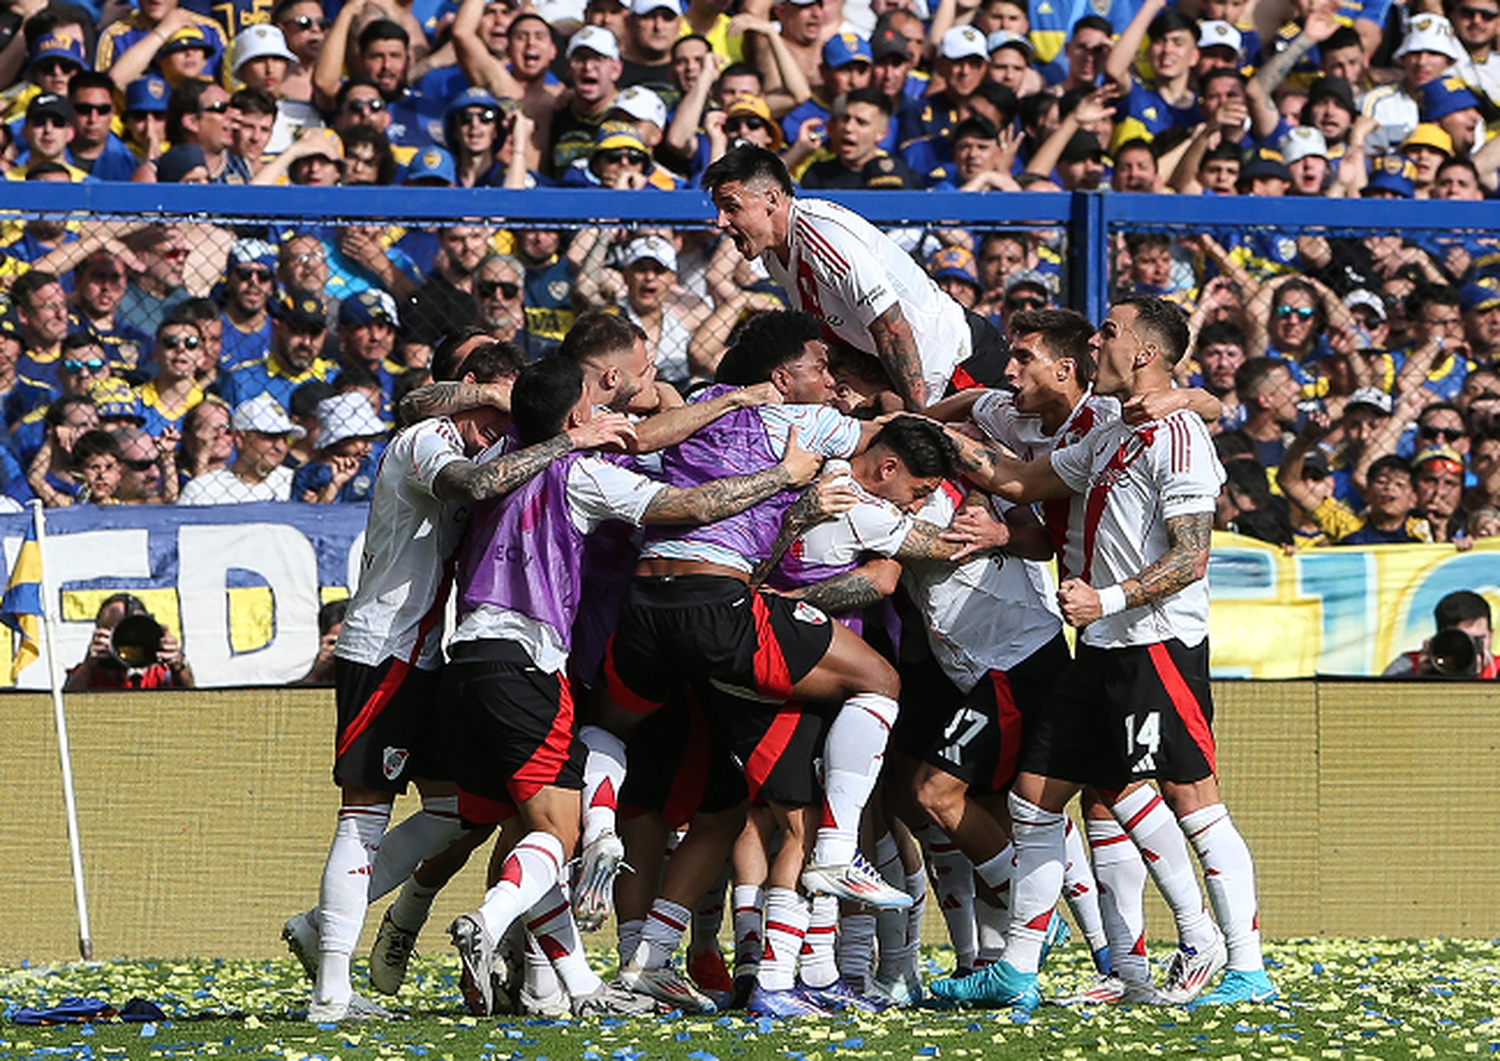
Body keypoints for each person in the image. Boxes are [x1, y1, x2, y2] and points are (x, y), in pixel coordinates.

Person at [444, 353, 833, 1018]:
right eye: (597, 401)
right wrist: (784, 476)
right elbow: (689, 505)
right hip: (532, 656)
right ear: (573, 416)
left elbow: (431, 408)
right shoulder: (582, 471)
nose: (609, 413)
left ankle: (571, 982)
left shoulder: (505, 449)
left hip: (468, 653)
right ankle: (490, 917)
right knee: (550, 833)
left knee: (530, 826)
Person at [936, 296, 1275, 1009]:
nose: (1097, 339)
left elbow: (1191, 557)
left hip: (1155, 645)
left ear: (1145, 352)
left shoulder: (1179, 433)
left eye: (1110, 332)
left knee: (1194, 802)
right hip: (1099, 647)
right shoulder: (1115, 427)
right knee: (1034, 799)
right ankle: (1018, 968)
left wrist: (1106, 599)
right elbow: (1021, 483)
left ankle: (1244, 965)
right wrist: (921, 434)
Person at [288, 341, 639, 1022]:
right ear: (467, 390)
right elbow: (473, 482)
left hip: (437, 657)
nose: (496, 433)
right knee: (364, 816)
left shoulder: (491, 442)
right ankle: (330, 990)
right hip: (383, 649)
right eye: (488, 410)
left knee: (458, 811)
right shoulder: (427, 441)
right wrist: (569, 438)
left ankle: (317, 926)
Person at [702, 144, 1004, 410]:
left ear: (771, 198)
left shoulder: (823, 238)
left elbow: (892, 326)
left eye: (732, 208)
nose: (720, 222)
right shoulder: (774, 253)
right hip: (920, 381)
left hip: (960, 364)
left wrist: (917, 418)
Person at [177, 393, 300, 504]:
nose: (280, 447)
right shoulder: (202, 490)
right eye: (270, 437)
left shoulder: (295, 483)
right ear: (240, 439)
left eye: (284, 438)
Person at [64, 592, 194, 690]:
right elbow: (66, 708)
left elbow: (192, 702)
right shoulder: (89, 673)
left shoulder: (160, 673)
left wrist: (178, 664)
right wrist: (88, 666)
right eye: (115, 632)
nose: (126, 643)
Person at [1383, 589, 1499, 678]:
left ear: (1491, 634)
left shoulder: (1497, 670)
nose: (1472, 650)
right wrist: (1420, 679)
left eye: (1478, 640)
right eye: (1462, 641)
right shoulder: (1407, 667)